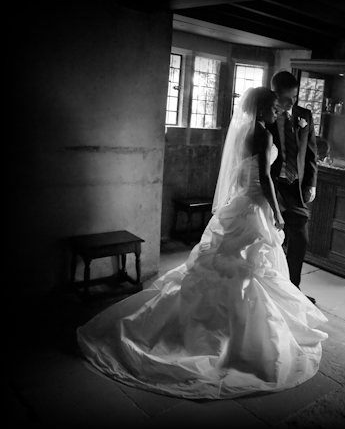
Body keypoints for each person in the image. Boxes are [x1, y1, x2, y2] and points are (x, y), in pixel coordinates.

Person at [76, 87, 328, 399]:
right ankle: (234, 336)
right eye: (275, 107)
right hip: (254, 206)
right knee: (245, 271)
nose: (278, 112)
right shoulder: (261, 134)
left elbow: (242, 174)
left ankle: (231, 327)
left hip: (246, 203)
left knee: (244, 269)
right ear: (263, 107)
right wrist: (276, 212)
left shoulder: (250, 130)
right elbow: (263, 177)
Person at [266, 71, 318, 304]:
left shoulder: (304, 115)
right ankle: (268, 290)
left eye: (295, 97)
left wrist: (311, 184)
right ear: (276, 95)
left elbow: (311, 154)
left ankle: (292, 291)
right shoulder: (264, 117)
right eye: (287, 99)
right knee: (268, 240)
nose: (292, 103)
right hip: (270, 186)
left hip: (295, 187)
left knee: (300, 238)